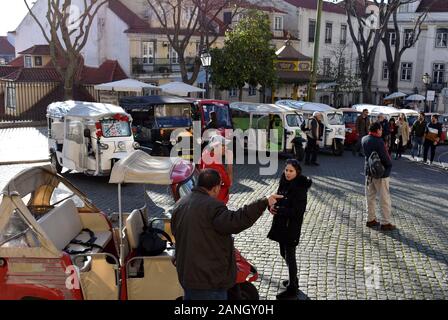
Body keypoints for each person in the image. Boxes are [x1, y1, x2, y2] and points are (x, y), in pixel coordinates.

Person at [171, 169, 282, 300]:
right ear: (215, 188)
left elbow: (176, 234)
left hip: (188, 277)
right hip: (208, 281)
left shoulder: (179, 205)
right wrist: (263, 202)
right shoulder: (213, 207)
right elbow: (236, 221)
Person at [267, 159, 312, 300]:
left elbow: (298, 211)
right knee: (283, 253)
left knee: (290, 256)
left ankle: (292, 288)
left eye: (291, 171)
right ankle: (294, 280)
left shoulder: (300, 186)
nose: (287, 173)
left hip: (291, 227)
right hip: (281, 225)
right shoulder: (284, 181)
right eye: (286, 170)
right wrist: (272, 207)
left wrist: (279, 210)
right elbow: (279, 198)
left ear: (297, 172)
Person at [362, 122, 395, 231]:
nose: (381, 131)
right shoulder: (379, 142)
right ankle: (385, 222)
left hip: (368, 172)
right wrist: (389, 167)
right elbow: (386, 158)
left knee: (370, 197)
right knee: (384, 198)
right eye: (380, 129)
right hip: (381, 173)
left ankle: (370, 219)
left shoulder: (364, 139)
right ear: (377, 130)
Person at [200, 135, 233, 204]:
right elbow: (228, 183)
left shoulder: (206, 154)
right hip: (216, 201)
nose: (226, 148)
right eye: (223, 145)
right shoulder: (215, 164)